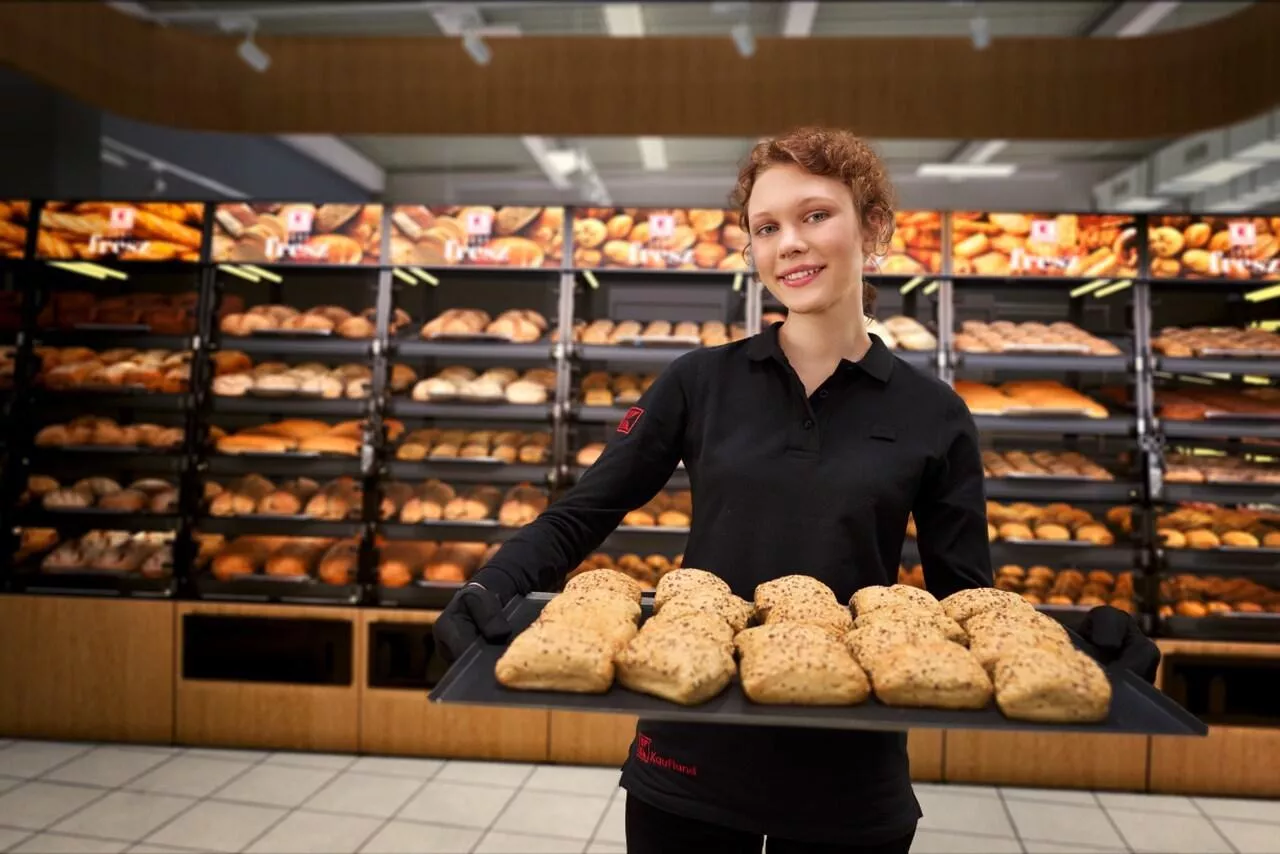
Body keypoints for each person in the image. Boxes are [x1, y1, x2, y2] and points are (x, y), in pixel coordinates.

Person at [434, 126, 1159, 854]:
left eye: (816, 215)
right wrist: (491, 585)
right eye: (766, 227)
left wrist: (1080, 646)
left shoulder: (933, 412)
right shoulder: (699, 382)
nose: (790, 244)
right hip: (689, 747)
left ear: (872, 227)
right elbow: (582, 514)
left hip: (850, 769)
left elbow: (965, 600)